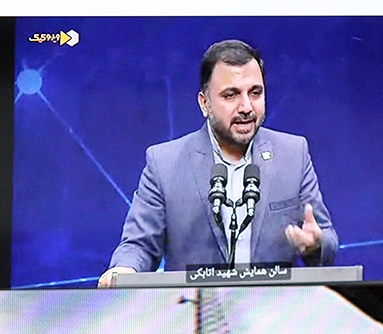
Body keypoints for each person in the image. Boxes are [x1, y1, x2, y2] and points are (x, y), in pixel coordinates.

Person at [99, 40, 338, 286]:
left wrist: (315, 244)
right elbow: (139, 244)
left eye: (255, 93)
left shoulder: (293, 154)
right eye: (231, 95)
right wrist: (124, 269)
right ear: (205, 103)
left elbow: (327, 241)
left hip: (272, 307)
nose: (246, 107)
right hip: (193, 307)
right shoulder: (164, 163)